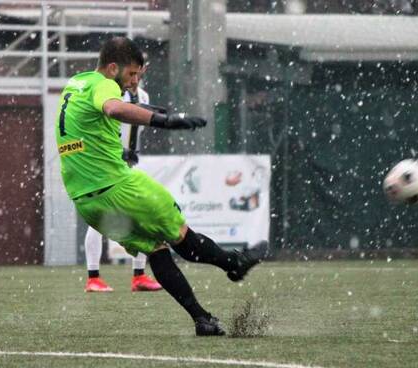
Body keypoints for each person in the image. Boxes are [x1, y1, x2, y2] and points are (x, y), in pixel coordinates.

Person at [56, 36, 268, 336]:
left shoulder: (77, 84)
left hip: (88, 203)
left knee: (156, 250)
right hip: (119, 188)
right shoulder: (104, 86)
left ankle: (202, 319)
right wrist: (163, 121)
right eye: (131, 75)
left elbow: (90, 128)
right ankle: (233, 264)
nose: (133, 82)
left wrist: (154, 110)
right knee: (182, 236)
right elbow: (115, 109)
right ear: (112, 67)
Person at [84, 66, 163, 293]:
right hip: (107, 164)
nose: (136, 78)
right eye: (132, 73)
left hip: (129, 164)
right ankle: (93, 277)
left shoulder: (144, 95)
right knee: (98, 220)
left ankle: (138, 276)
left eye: (140, 73)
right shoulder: (110, 92)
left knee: (140, 216)